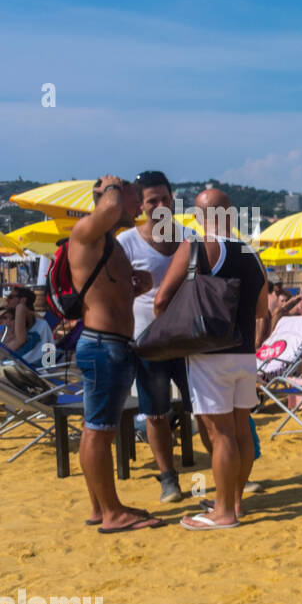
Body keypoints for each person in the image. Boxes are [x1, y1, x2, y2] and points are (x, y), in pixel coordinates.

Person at [155, 188, 268, 530]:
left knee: (221, 436)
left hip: (209, 352)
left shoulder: (196, 247)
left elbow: (162, 300)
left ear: (200, 217)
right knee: (241, 431)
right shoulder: (252, 253)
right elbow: (263, 310)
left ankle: (223, 512)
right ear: (230, 215)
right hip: (246, 353)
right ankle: (234, 500)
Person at [69, 175, 163, 533]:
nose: (139, 207)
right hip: (102, 345)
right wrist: (109, 187)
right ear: (109, 199)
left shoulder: (107, 242)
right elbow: (108, 206)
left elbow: (109, 287)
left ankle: (102, 506)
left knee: (98, 430)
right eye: (133, 199)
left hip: (112, 345)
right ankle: (111, 514)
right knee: (98, 432)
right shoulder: (87, 230)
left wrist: (136, 284)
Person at [118, 170, 194, 503]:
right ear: (142, 204)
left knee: (206, 408)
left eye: (165, 198)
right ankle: (168, 479)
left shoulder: (190, 237)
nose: (160, 205)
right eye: (152, 200)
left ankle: (229, 472)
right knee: (156, 412)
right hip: (148, 341)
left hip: (191, 338)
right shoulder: (126, 242)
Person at [2, 286, 52, 365]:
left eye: (10, 297)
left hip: (27, 364)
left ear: (23, 300)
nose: (7, 300)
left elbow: (20, 340)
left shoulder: (21, 308)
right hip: (14, 359)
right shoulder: (20, 317)